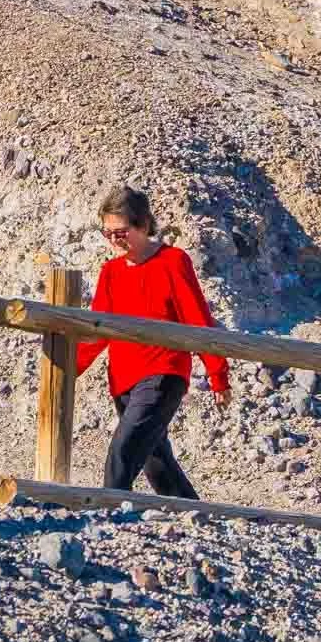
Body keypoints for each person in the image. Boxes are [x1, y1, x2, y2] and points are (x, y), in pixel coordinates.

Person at [75, 185, 230, 498]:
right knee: (155, 459)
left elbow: (198, 319)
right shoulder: (110, 272)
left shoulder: (173, 261)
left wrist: (217, 375)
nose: (114, 240)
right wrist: (69, 368)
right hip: (122, 380)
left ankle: (107, 510)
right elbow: (98, 330)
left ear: (143, 225)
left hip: (163, 372)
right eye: (108, 233)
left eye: (121, 232)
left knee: (125, 447)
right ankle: (192, 513)